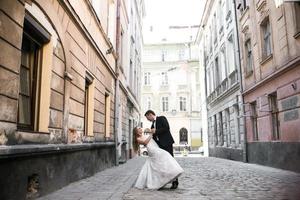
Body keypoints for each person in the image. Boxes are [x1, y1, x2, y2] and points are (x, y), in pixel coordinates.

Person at [144, 110, 179, 189]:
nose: (148, 119)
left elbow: (166, 128)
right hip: (159, 146)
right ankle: (164, 181)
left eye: (147, 117)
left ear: (150, 115)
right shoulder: (152, 125)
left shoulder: (161, 118)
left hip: (167, 143)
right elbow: (154, 136)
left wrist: (156, 131)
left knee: (171, 162)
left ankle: (175, 182)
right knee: (163, 164)